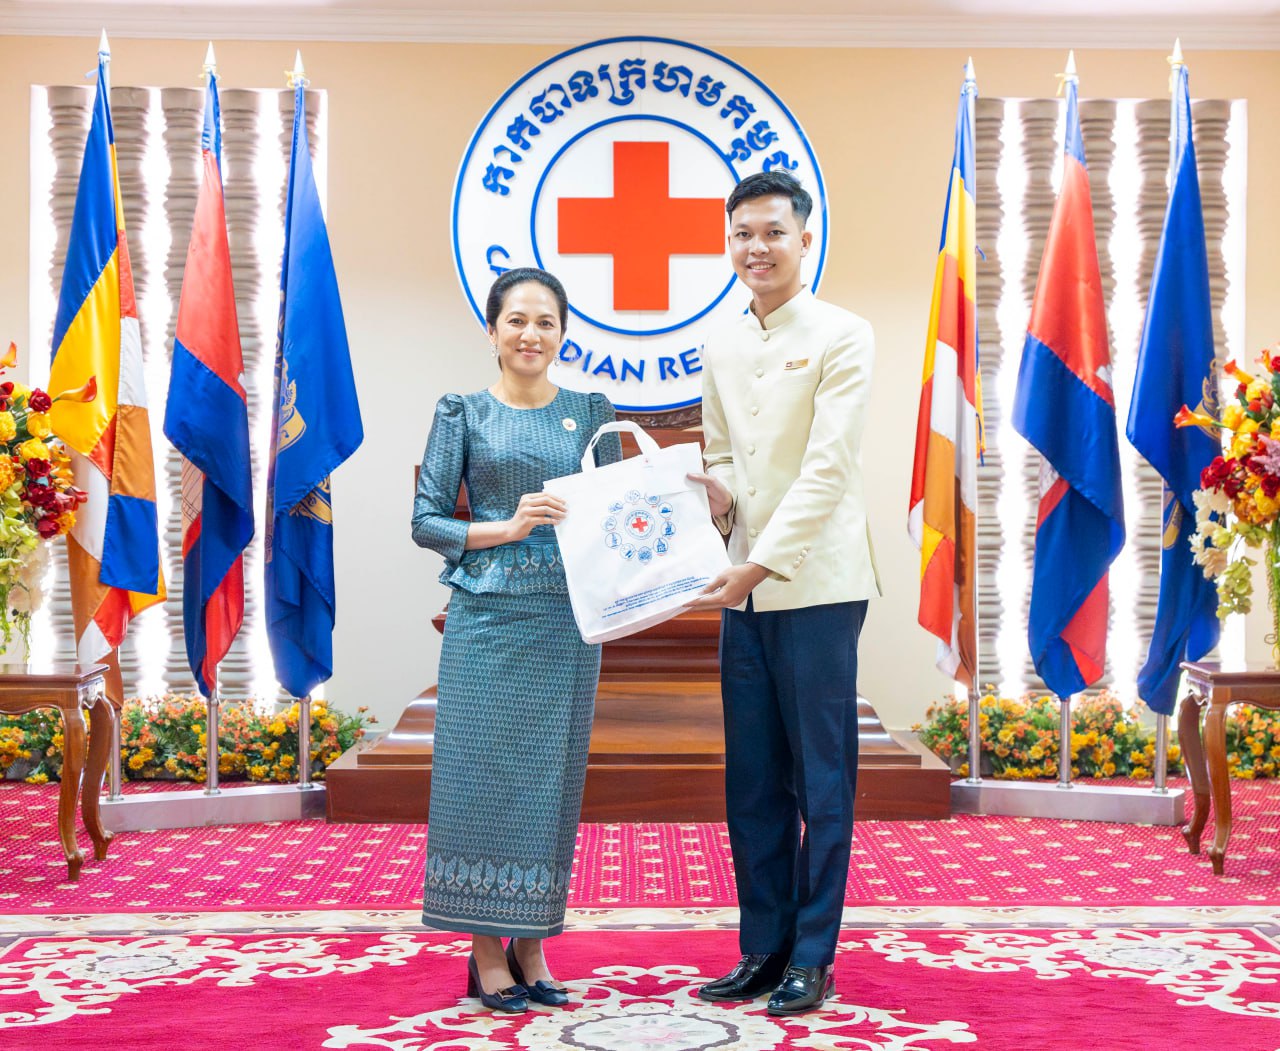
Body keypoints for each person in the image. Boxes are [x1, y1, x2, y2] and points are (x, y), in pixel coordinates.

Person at [687, 170, 881, 1016]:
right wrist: (717, 494)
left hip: (816, 584)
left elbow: (828, 468)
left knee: (821, 779)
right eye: (742, 234)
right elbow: (724, 451)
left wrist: (758, 563)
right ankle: (762, 947)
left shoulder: (844, 333)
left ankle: (813, 954)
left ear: (805, 238)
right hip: (743, 589)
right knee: (754, 780)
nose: (756, 248)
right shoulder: (721, 344)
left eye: (772, 232)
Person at [412, 266, 620, 1014]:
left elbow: (617, 513)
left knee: (550, 783)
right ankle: (482, 951)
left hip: (567, 622)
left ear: (563, 333)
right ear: (492, 330)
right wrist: (506, 526)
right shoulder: (462, 412)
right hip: (488, 618)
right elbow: (426, 520)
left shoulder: (591, 412)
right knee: (479, 778)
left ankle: (532, 944)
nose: (532, 334)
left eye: (546, 321)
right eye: (517, 320)